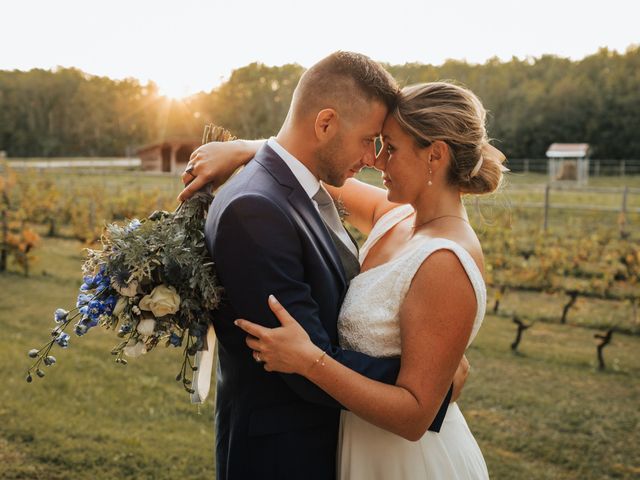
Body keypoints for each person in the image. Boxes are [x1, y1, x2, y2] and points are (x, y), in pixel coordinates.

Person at [185, 52, 466, 480]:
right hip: (284, 456)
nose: (373, 159)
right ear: (325, 124)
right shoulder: (256, 209)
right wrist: (430, 383)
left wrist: (246, 146)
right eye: (370, 139)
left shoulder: (299, 186)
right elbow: (299, 364)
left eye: (385, 146)